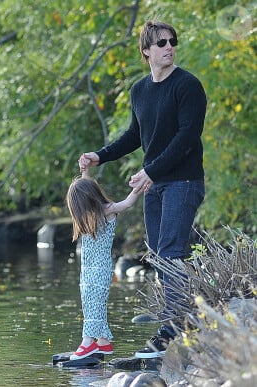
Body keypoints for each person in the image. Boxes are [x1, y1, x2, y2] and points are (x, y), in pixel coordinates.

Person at [79, 20, 206, 359]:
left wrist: (150, 169)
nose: (169, 47)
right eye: (161, 42)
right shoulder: (140, 90)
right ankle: (179, 321)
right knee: (160, 256)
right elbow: (134, 135)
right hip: (156, 184)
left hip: (184, 182)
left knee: (170, 252)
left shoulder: (188, 86)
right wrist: (100, 155)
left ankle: (175, 329)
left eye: (172, 41)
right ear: (146, 51)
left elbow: (187, 138)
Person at [65, 169, 140, 360]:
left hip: (100, 270)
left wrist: (140, 185)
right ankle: (103, 342)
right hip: (87, 270)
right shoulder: (90, 214)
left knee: (95, 304)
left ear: (86, 201)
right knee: (89, 304)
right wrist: (85, 172)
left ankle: (87, 342)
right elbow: (86, 187)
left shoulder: (107, 211)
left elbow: (128, 203)